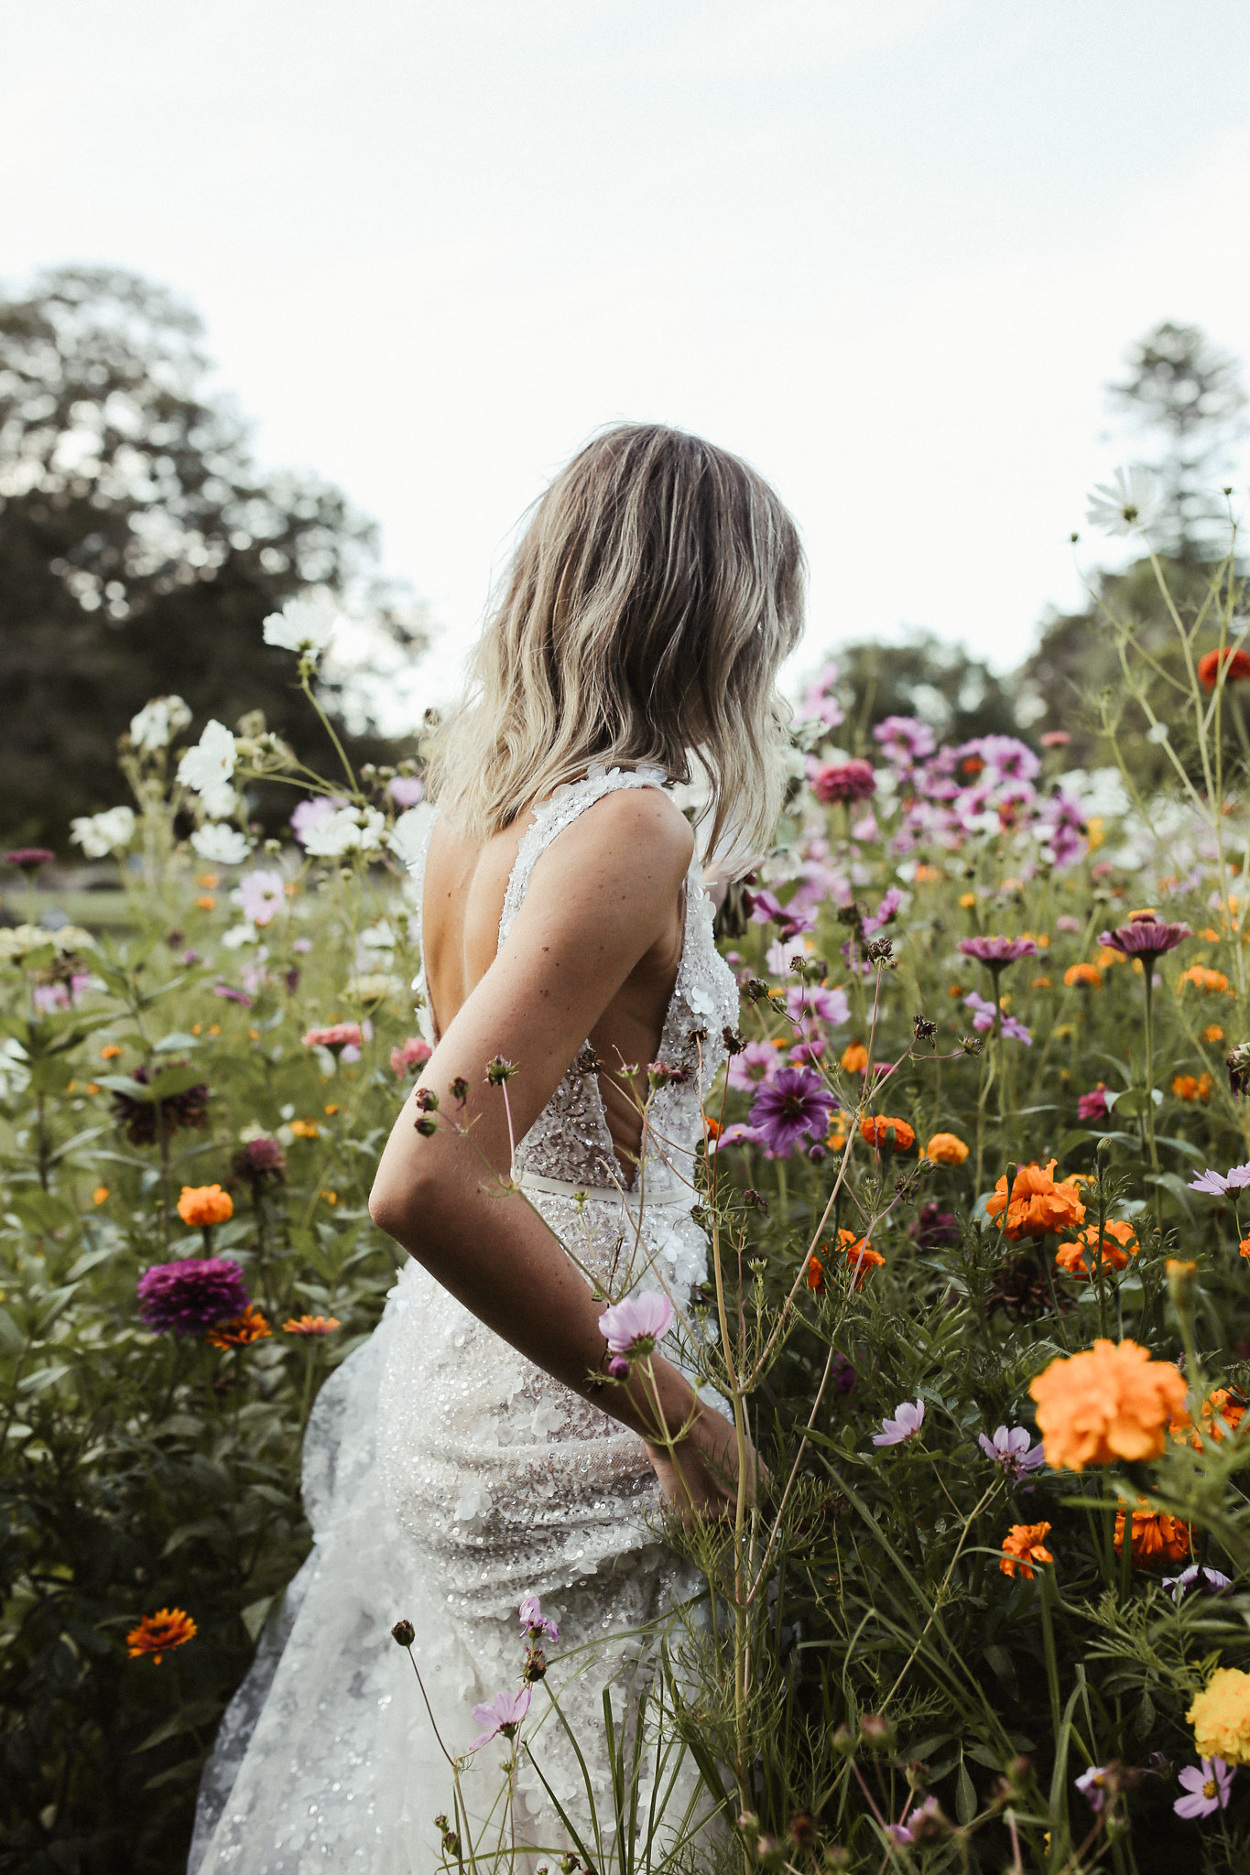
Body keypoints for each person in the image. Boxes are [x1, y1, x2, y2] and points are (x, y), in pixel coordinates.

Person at [190, 422, 805, 1873]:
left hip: (474, 1369)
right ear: (707, 609)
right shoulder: (630, 823)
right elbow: (428, 1177)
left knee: (496, 1807)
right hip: (572, 1398)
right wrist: (684, 1424)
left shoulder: (473, 820)